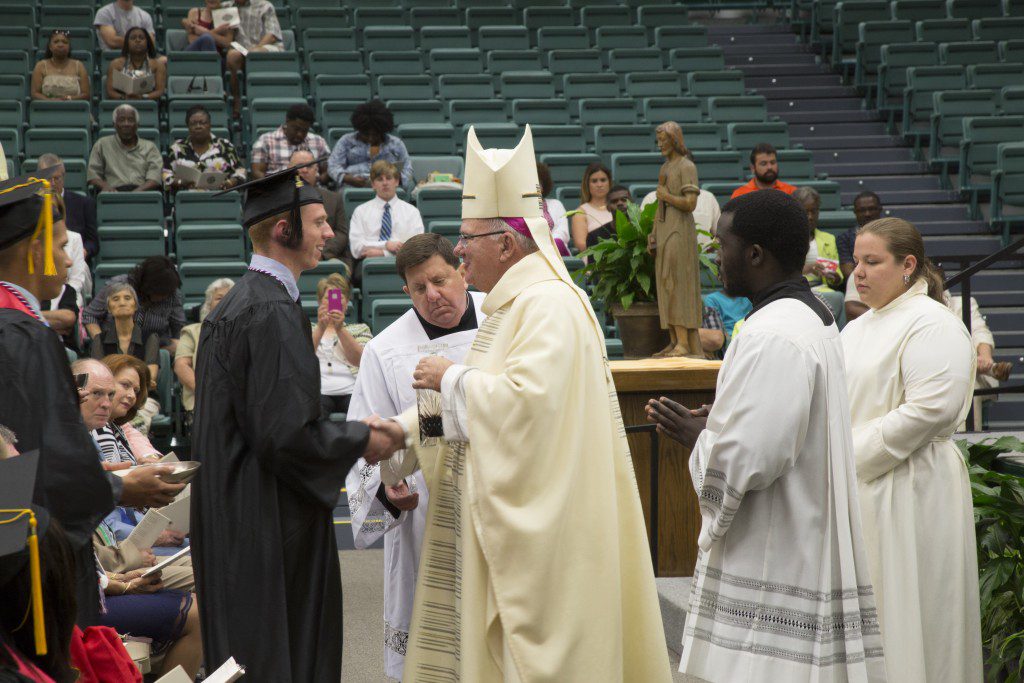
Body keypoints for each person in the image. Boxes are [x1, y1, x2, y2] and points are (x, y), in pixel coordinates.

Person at [372, 126, 671, 681]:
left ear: (506, 243)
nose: (458, 250)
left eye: (467, 238)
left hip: (551, 546)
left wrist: (449, 377)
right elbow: (475, 408)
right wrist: (400, 435)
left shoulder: (548, 305)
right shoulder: (514, 306)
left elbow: (525, 411)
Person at [646, 189, 885, 682]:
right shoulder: (811, 315)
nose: (715, 256)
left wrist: (701, 436)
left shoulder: (772, 334)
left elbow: (754, 457)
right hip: (804, 528)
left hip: (777, 552)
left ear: (755, 254)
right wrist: (728, 415)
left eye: (722, 245)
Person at [190, 159, 400, 680]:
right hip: (265, 521)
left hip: (234, 511)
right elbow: (285, 435)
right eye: (318, 223)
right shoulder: (269, 311)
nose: (331, 231)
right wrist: (364, 437)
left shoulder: (238, 304)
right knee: (276, 655)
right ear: (284, 229)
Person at [0, 172, 182, 626]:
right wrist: (123, 487)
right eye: (61, 246)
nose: (68, 260)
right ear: (35, 251)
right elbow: (34, 467)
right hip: (28, 568)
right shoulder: (22, 335)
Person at [842, 217, 982, 682]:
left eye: (871, 261)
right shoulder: (858, 329)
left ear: (908, 265)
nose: (858, 272)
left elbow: (930, 410)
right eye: (856, 261)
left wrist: (847, 456)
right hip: (862, 489)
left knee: (916, 616)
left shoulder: (933, 323)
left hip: (914, 487)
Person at [345, 233, 485, 680]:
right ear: (405, 291)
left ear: (461, 271)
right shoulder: (385, 351)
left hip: (503, 496)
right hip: (428, 514)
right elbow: (364, 444)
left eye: (440, 281)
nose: (433, 296)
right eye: (419, 289)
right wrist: (389, 488)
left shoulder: (506, 319)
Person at [649, 121, 703, 358]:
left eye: (664, 139)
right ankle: (673, 340)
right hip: (664, 229)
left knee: (677, 284)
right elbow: (660, 204)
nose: (660, 144)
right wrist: (652, 233)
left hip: (680, 230)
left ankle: (685, 342)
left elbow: (690, 204)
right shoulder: (664, 168)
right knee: (665, 284)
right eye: (658, 140)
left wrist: (667, 196)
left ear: (675, 139)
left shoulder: (686, 166)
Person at [83, 256, 185, 354]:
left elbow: (178, 331)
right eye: (160, 293)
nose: (163, 297)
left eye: (166, 294)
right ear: (147, 285)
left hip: (156, 350)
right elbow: (90, 316)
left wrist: (174, 347)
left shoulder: (173, 294)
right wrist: (101, 343)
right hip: (114, 349)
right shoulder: (117, 286)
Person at [174, 278, 233, 426]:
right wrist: (207, 392)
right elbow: (181, 366)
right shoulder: (191, 332)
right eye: (219, 298)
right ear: (208, 305)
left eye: (229, 298)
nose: (224, 301)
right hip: (201, 401)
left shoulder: (245, 331)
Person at [313, 272, 372, 417]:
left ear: (346, 304)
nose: (333, 301)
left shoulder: (360, 329)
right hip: (318, 392)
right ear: (320, 302)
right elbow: (300, 358)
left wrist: (340, 329)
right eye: (327, 298)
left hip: (352, 391)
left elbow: (361, 361)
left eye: (339, 297)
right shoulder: (308, 329)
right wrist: (321, 328)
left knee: (361, 422)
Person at [349, 160, 424, 264]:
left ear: (397, 181)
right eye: (380, 179)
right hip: (368, 263)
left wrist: (383, 253)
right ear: (373, 184)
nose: (385, 183)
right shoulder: (360, 211)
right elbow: (356, 248)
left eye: (389, 178)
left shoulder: (412, 211)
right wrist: (386, 245)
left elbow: (417, 248)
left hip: (404, 263)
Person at [642, 149, 721, 248]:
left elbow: (720, 236)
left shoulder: (708, 198)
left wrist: (714, 246)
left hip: (703, 259)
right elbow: (646, 237)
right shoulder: (651, 198)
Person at [328, 99, 413, 189]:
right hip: (352, 189)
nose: (370, 138)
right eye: (365, 134)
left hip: (387, 191)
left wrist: (393, 178)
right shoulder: (346, 141)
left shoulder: (396, 144)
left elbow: (408, 170)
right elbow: (333, 166)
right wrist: (348, 178)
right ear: (359, 129)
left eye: (376, 135)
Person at [88, 282, 160, 383]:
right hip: (110, 394)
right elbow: (98, 376)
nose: (122, 303)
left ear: (135, 306)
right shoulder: (99, 340)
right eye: (115, 299)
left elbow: (151, 376)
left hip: (142, 393)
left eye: (127, 298)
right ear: (109, 308)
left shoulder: (150, 337)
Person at [163, 105, 246, 192]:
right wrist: (180, 182)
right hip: (187, 200)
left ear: (210, 125)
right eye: (193, 123)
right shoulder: (177, 148)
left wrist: (229, 183)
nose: (198, 126)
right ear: (188, 127)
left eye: (202, 123)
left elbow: (241, 172)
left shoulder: (225, 146)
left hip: (220, 198)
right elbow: (166, 175)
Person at [291, 150, 350, 269]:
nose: (304, 170)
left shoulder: (334, 198)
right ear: (289, 171)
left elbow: (341, 234)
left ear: (316, 170)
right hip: (293, 259)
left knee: (335, 283)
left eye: (309, 166)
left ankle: (335, 289)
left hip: (329, 258)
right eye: (299, 166)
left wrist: (320, 253)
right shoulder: (280, 202)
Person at [794, 186, 845, 321]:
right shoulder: (785, 238)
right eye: (805, 212)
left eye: (814, 211)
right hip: (795, 289)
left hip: (822, 288)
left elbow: (837, 274)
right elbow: (779, 272)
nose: (810, 217)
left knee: (837, 296)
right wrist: (807, 268)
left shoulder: (828, 239)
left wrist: (834, 278)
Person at [226, 0, 284, 116]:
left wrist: (253, 51)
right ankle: (237, 100)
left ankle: (259, 100)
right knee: (232, 55)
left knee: (256, 53)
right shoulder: (226, 7)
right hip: (241, 49)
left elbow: (272, 36)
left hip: (266, 46)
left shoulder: (264, 5)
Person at [87, 105, 163, 193]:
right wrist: (105, 186)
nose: (126, 124)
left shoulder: (150, 147)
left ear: (137, 125)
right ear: (114, 124)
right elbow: (92, 175)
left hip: (143, 194)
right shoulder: (102, 144)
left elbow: (155, 177)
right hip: (113, 194)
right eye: (121, 120)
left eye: (130, 120)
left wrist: (137, 192)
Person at [37, 154, 98, 263]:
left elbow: (93, 242)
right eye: (47, 179)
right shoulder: (31, 204)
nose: (52, 183)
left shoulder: (84, 203)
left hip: (76, 261)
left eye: (56, 178)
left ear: (63, 177)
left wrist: (83, 251)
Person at [250, 103, 329, 180]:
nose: (300, 134)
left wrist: (316, 180)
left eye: (304, 131)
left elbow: (329, 170)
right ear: (287, 121)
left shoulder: (318, 142)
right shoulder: (265, 141)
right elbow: (257, 172)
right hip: (278, 190)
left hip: (313, 190)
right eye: (296, 129)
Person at [105, 27, 166, 101]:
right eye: (133, 38)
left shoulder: (158, 65)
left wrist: (143, 97)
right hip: (123, 103)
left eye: (141, 38)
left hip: (147, 105)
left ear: (147, 42)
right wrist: (124, 97)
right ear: (127, 43)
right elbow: (110, 91)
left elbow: (159, 91)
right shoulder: (116, 64)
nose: (137, 40)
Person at [31, 30, 90, 101]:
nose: (60, 45)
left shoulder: (79, 66)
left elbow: (86, 95)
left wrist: (69, 98)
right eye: (56, 42)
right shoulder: (41, 66)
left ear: (69, 47)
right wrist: (50, 101)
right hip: (47, 109)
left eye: (65, 42)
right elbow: (35, 94)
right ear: (50, 47)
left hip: (73, 109)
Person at [838, 191, 883, 281]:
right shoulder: (845, 238)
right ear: (855, 212)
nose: (867, 214)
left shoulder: (893, 235)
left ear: (880, 209)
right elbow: (848, 271)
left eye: (872, 209)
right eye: (862, 210)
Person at [570, 161, 612, 253]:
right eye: (594, 181)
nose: (599, 185)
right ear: (587, 184)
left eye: (603, 180)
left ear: (609, 182)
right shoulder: (581, 213)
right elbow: (581, 244)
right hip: (593, 262)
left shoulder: (618, 208)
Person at [730, 142, 796, 198]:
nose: (769, 167)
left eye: (773, 162)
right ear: (753, 168)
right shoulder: (740, 194)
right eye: (763, 164)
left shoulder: (791, 192)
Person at [584, 184, 629, 248]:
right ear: (608, 207)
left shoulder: (642, 232)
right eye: (614, 201)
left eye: (624, 200)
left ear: (632, 203)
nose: (620, 203)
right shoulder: (594, 237)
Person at [536, 161, 569, 246]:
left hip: (556, 251)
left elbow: (563, 232)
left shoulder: (556, 205)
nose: (534, 186)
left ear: (543, 185)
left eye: (537, 183)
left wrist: (549, 246)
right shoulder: (518, 209)